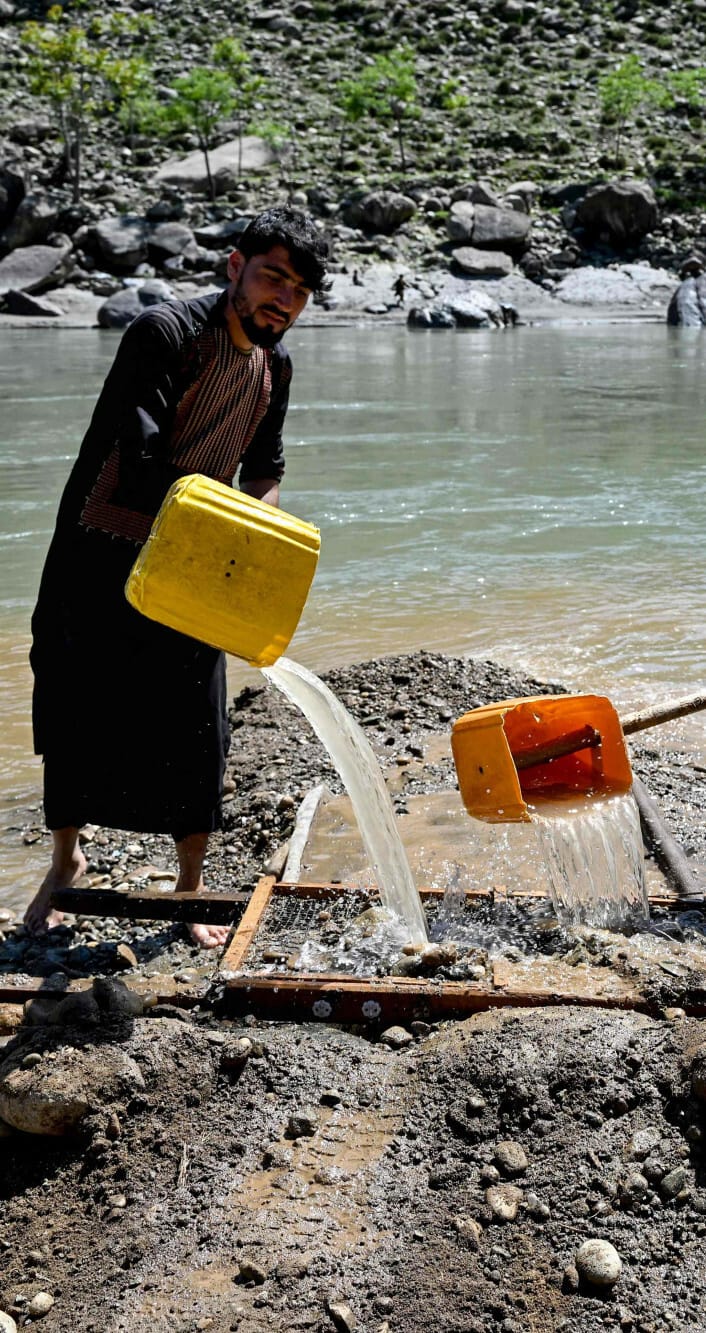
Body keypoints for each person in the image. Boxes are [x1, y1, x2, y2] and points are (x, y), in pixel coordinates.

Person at [24, 207, 329, 948]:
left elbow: (265, 469)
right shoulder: (164, 334)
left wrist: (256, 555)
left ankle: (189, 884)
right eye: (272, 277)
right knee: (71, 698)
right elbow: (144, 449)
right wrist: (224, 528)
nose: (282, 298)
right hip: (101, 538)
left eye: (299, 289)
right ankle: (66, 861)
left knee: (196, 720)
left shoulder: (274, 366)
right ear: (234, 268)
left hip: (196, 553)